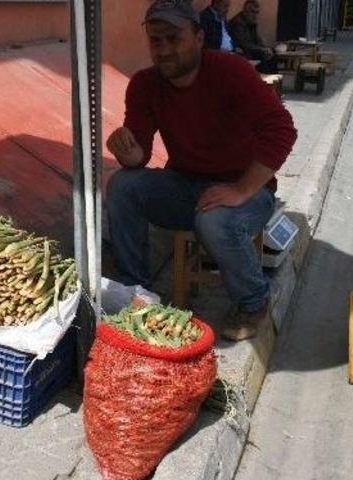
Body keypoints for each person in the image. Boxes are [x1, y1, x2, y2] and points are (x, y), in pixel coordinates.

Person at [105, 0, 297, 341]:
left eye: (173, 38)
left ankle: (254, 301)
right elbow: (139, 155)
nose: (164, 49)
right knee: (123, 185)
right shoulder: (145, 84)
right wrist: (128, 153)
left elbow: (282, 130)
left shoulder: (231, 71)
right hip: (184, 185)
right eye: (155, 40)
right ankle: (136, 292)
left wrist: (241, 190)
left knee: (214, 220)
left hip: (247, 191)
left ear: (198, 37)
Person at [228, 0, 277, 73]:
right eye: (253, 12)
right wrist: (262, 49)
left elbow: (257, 40)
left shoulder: (251, 22)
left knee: (272, 53)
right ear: (245, 11)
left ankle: (271, 77)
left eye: (257, 12)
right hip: (241, 52)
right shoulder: (237, 23)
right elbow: (244, 44)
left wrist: (265, 49)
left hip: (251, 50)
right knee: (262, 56)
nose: (255, 15)